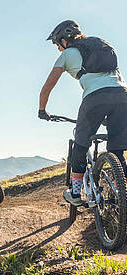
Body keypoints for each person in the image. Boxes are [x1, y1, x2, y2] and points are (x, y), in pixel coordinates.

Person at [38, 20, 127, 206]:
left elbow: (48, 86)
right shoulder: (101, 45)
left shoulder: (69, 53)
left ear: (63, 40)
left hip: (95, 99)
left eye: (56, 44)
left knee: (80, 144)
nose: (58, 49)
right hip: (122, 96)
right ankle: (122, 193)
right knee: (116, 147)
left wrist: (42, 110)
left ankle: (76, 194)